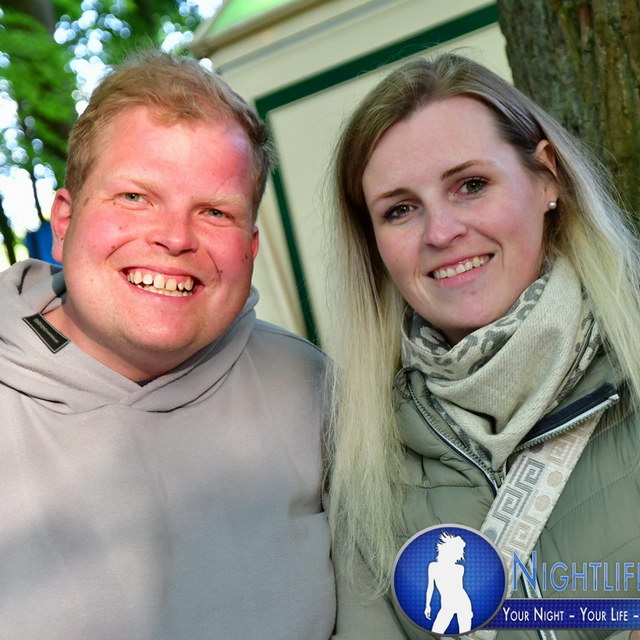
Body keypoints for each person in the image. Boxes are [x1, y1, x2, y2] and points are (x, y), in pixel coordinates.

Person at [0, 50, 335, 639]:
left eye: (215, 212)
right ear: (64, 220)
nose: (175, 238)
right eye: (135, 197)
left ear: (250, 247)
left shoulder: (315, 394)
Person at [327, 53, 640, 640]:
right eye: (400, 210)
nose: (441, 232)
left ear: (546, 178)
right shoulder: (364, 460)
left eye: (471, 185)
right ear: (373, 244)